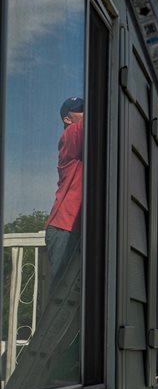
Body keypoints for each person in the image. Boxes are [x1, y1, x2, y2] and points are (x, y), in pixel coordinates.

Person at [45, 97, 84, 289]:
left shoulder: (84, 145)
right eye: (80, 110)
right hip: (64, 227)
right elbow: (97, 118)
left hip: (76, 227)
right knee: (61, 293)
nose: (85, 112)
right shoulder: (69, 135)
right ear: (67, 119)